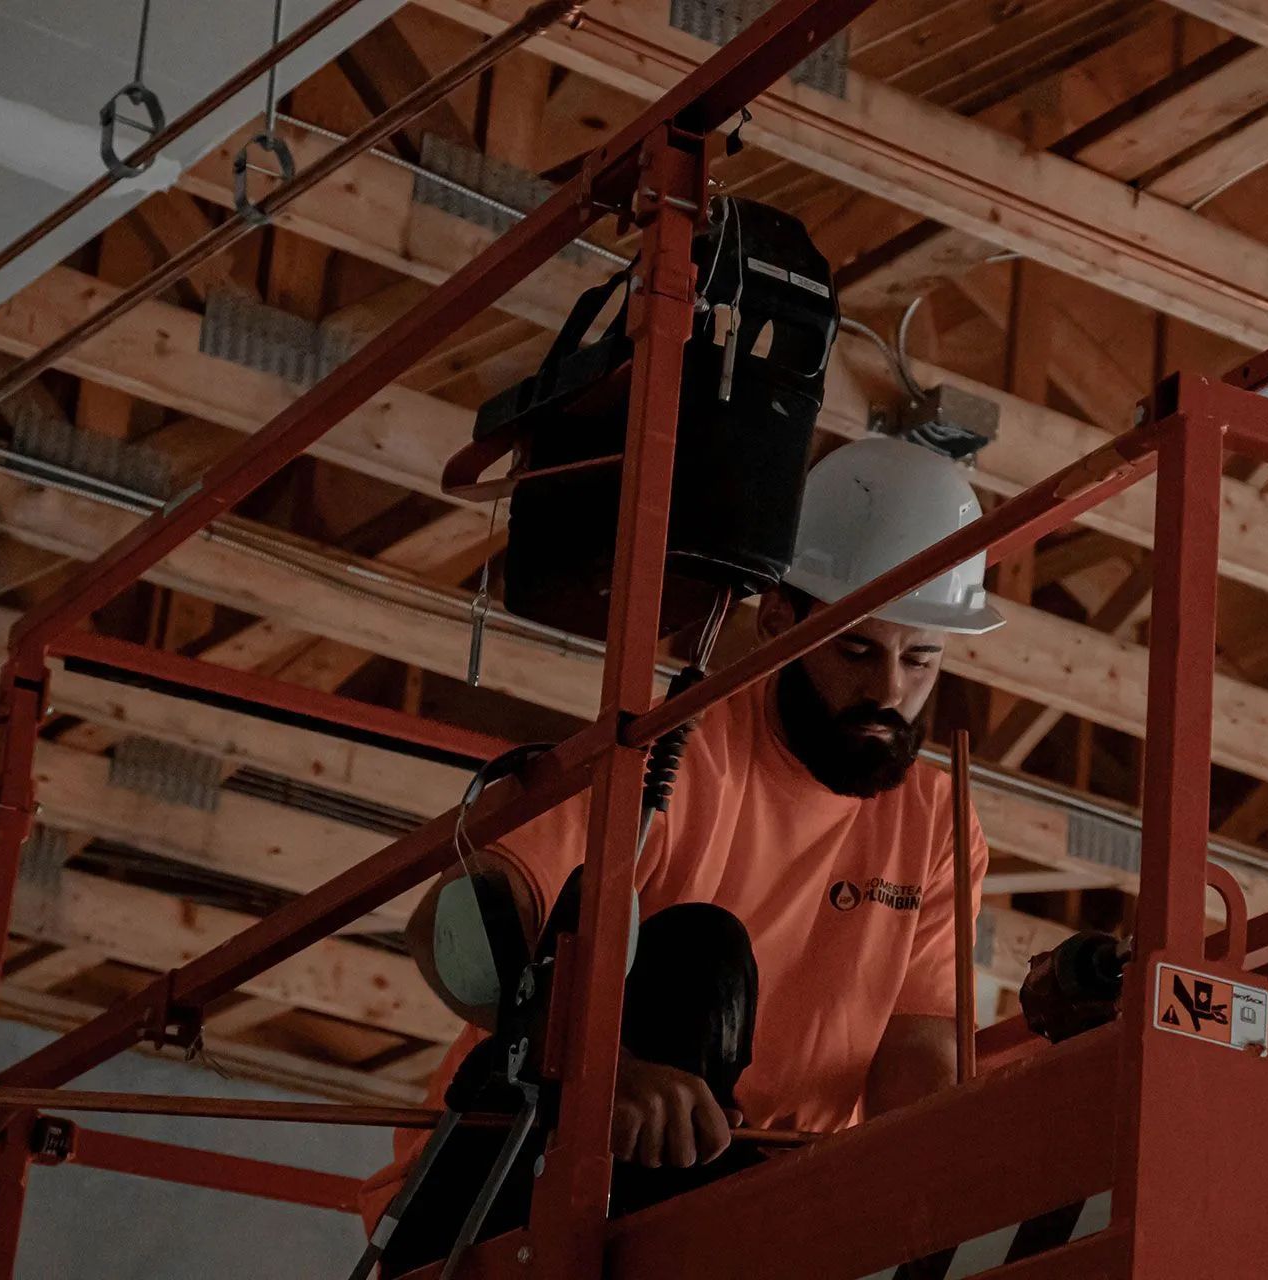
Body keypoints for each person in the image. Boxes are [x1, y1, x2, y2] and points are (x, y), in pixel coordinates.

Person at [360, 435, 1002, 1264]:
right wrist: (604, 1070)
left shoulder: (942, 824)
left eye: (921, 660)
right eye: (856, 650)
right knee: (704, 953)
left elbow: (921, 1058)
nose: (888, 691)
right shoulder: (670, 751)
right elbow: (453, 928)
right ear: (779, 622)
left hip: (763, 1204)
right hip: (534, 1185)